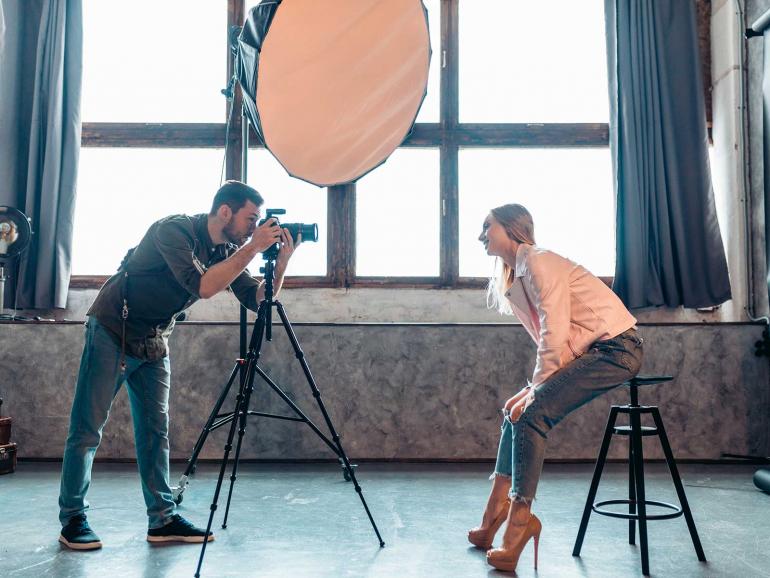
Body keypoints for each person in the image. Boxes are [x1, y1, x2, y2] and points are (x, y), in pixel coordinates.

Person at [58, 181, 301, 550]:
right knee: (87, 430)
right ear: (225, 211)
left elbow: (258, 299)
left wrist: (280, 263)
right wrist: (253, 248)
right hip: (113, 329)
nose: (255, 227)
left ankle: (162, 519)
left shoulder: (230, 248)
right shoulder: (173, 231)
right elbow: (203, 287)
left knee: (156, 434)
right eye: (250, 218)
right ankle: (72, 518)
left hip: (154, 339)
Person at [469, 203, 643, 571]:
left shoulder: (538, 262)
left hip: (617, 347)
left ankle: (519, 522)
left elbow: (555, 332)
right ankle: (492, 515)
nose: (481, 234)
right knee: (513, 411)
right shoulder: (518, 274)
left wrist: (535, 391)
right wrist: (532, 387)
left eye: (487, 226)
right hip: (591, 350)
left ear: (512, 227)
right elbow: (555, 342)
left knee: (531, 415)